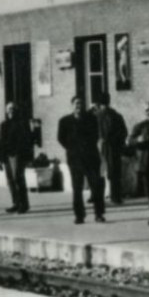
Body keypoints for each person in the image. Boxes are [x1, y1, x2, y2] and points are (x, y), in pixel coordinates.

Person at [56, 94, 105, 224]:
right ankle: (79, 215)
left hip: (91, 158)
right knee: (77, 188)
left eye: (81, 103)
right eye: (76, 104)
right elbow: (61, 138)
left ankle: (99, 214)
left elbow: (95, 136)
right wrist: (72, 148)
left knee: (96, 186)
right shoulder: (64, 121)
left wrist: (85, 147)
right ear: (72, 106)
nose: (79, 106)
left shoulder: (91, 119)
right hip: (75, 159)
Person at [0, 102, 34, 214]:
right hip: (7, 156)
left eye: (12, 109)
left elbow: (27, 141)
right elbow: (1, 142)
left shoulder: (22, 123)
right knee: (10, 180)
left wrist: (27, 157)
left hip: (18, 155)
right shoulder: (3, 125)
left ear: (16, 110)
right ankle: (16, 203)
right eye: (8, 109)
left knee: (18, 178)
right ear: (6, 111)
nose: (10, 111)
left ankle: (24, 204)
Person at [95, 94, 129, 205]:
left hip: (99, 146)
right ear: (109, 101)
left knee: (99, 172)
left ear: (99, 104)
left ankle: (97, 197)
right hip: (114, 147)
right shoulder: (117, 116)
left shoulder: (95, 116)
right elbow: (124, 132)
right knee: (115, 172)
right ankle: (116, 197)